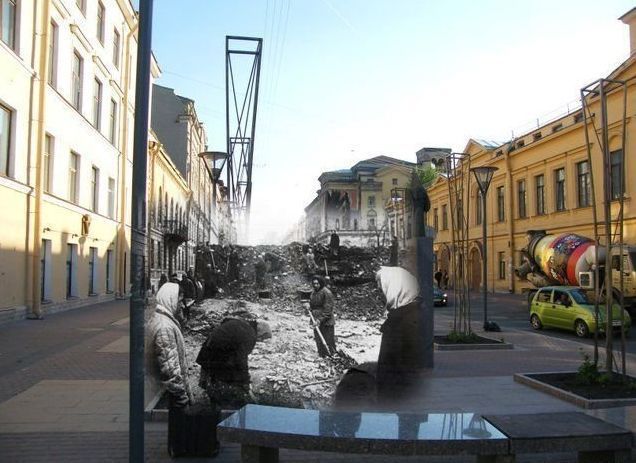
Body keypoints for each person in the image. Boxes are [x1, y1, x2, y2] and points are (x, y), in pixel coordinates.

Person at [375, 266, 421, 399]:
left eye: (382, 289)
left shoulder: (406, 321)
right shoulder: (403, 314)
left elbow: (404, 368)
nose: (379, 294)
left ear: (395, 288)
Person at [196, 316, 258, 409]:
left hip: (207, 350)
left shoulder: (241, 324)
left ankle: (211, 400)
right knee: (222, 384)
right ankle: (219, 405)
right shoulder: (250, 333)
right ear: (261, 332)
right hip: (217, 355)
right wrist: (245, 382)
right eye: (262, 338)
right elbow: (241, 359)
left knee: (211, 378)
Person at [148, 282, 192, 408]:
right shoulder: (164, 328)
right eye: (180, 301)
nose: (182, 306)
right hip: (170, 401)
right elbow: (170, 370)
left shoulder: (163, 319)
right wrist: (183, 400)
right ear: (170, 300)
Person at [306, 275, 336, 357]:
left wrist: (320, 320)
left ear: (321, 283)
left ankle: (331, 356)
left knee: (328, 340)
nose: (315, 285)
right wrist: (309, 306)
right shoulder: (313, 292)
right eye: (314, 283)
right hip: (316, 319)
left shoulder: (327, 293)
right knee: (319, 339)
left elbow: (328, 310)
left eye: (317, 283)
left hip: (326, 321)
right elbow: (312, 304)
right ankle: (322, 356)